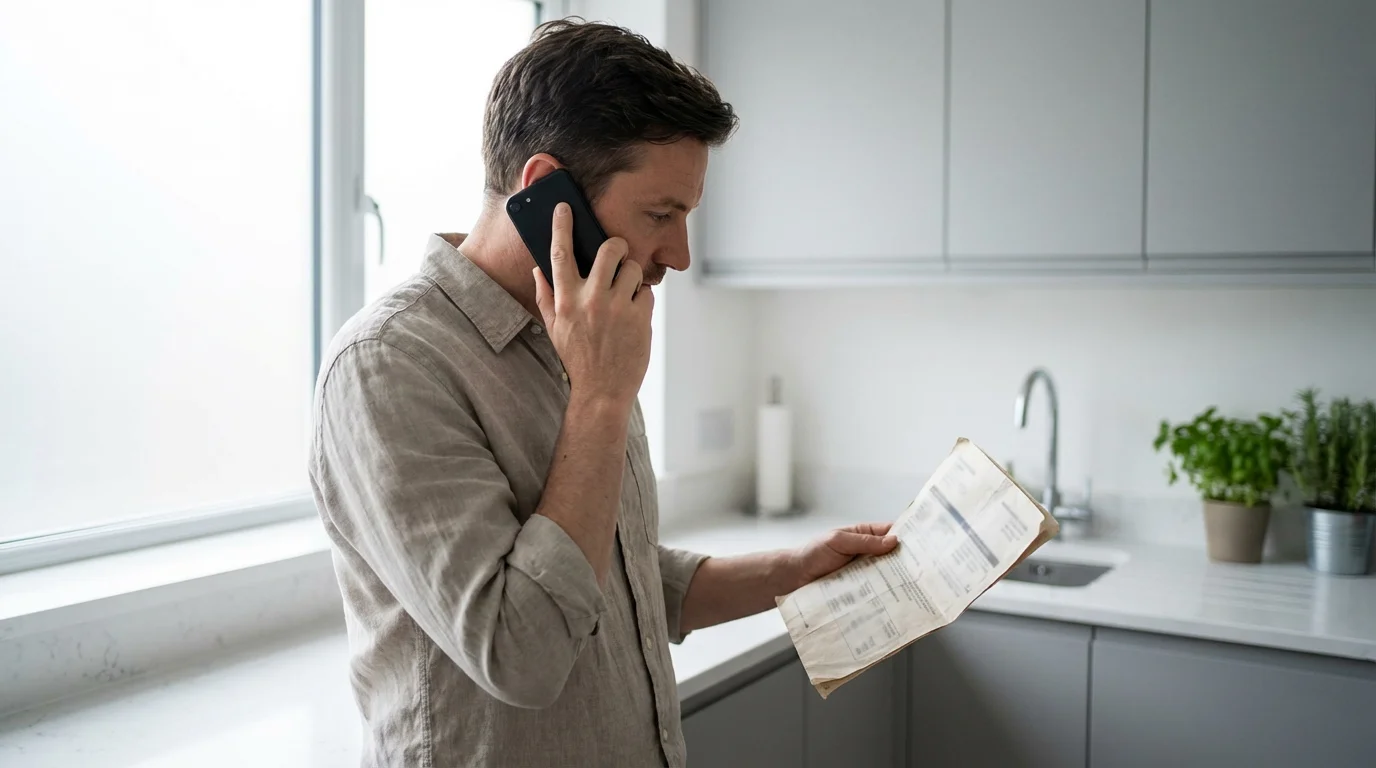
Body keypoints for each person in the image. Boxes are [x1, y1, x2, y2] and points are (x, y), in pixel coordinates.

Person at [309, 18, 897, 768]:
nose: (679, 256)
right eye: (661, 215)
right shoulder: (388, 366)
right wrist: (600, 400)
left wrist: (790, 572)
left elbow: (613, 582)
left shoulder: (583, 331)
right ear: (547, 191)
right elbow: (521, 651)